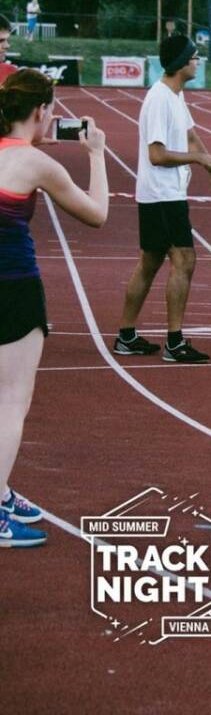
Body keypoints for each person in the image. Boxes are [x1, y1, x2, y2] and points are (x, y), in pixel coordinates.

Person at [0, 69, 109, 547]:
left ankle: (2, 492)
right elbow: (97, 214)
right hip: (14, 288)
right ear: (42, 111)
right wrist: (97, 154)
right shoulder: (36, 162)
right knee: (11, 403)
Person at [113, 35, 211, 364]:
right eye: (193, 56)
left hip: (164, 193)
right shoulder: (159, 99)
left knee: (150, 262)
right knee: (185, 260)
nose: (197, 60)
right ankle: (175, 343)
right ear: (179, 63)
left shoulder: (175, 96)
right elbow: (157, 155)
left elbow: (190, 134)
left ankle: (126, 335)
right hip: (162, 194)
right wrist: (198, 161)